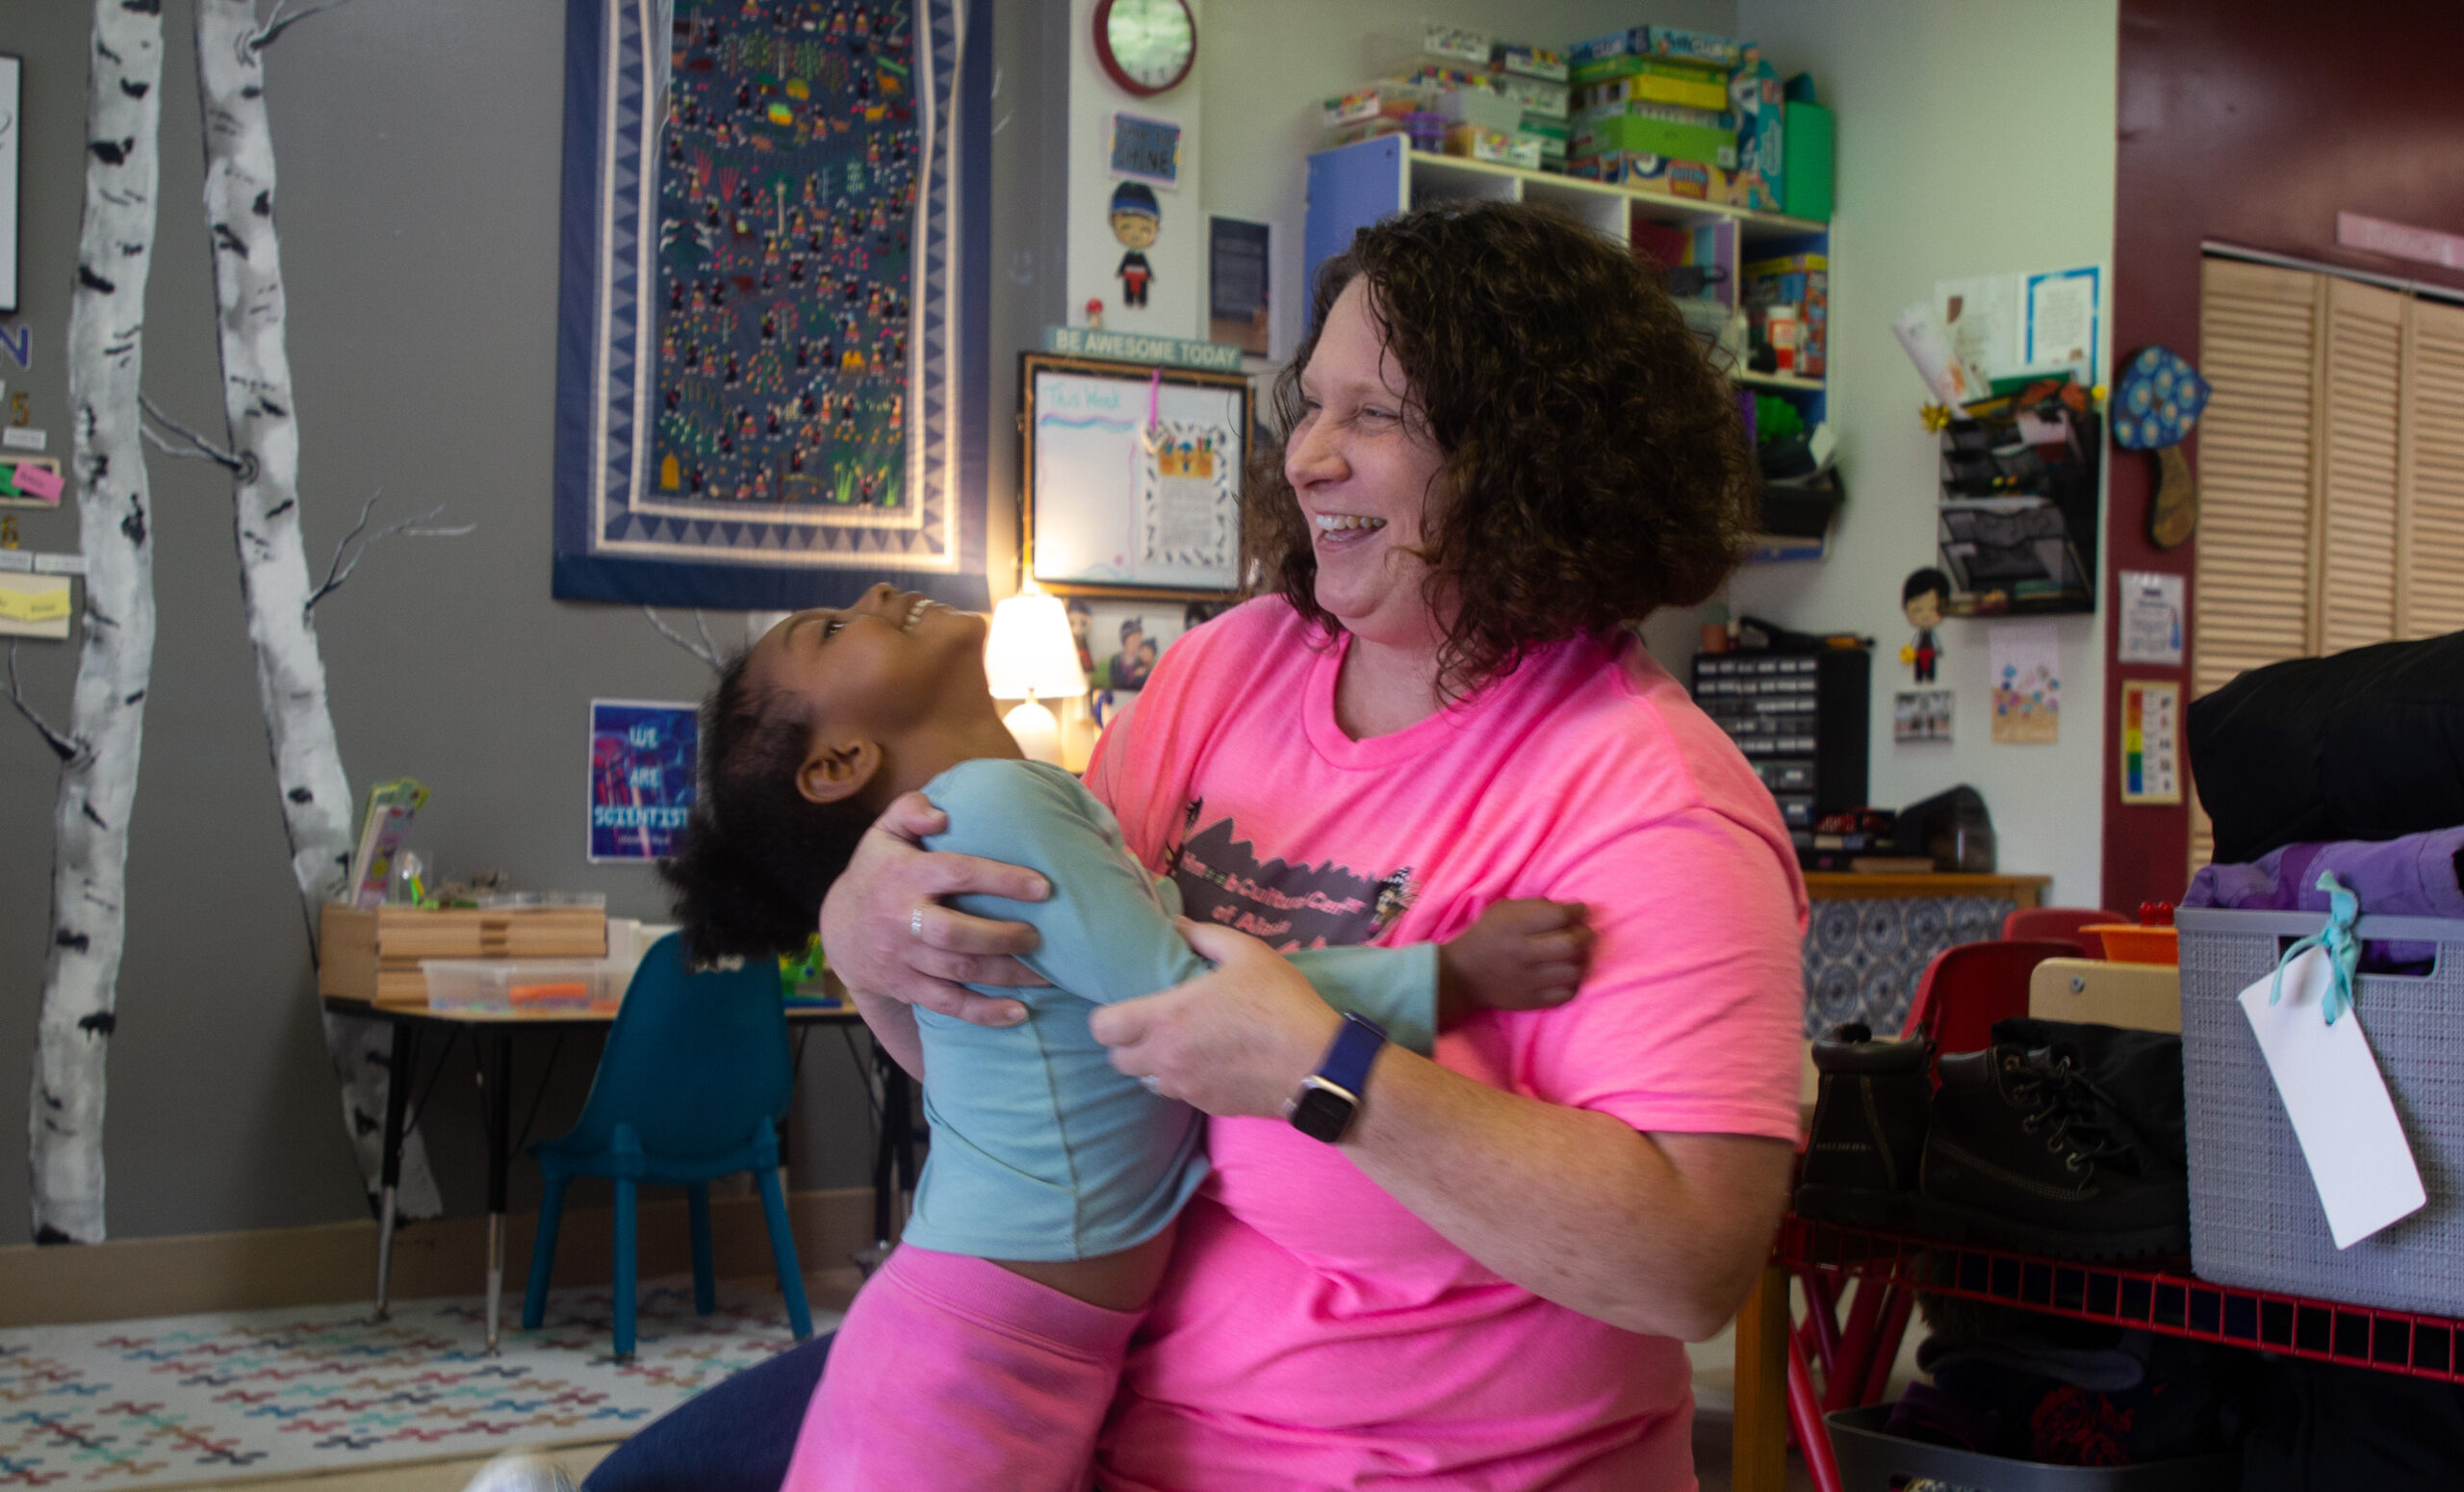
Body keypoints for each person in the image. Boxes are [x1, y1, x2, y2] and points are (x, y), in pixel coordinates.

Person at [587, 198, 1805, 1492]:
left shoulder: (1654, 796)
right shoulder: (1230, 667)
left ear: (1526, 454)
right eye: (1312, 406)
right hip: (1067, 1392)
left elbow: (1687, 1265)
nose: (1307, 457)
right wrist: (867, 937)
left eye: (1373, 418)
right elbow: (1048, 1030)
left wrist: (1320, 1071)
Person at [654, 583, 1586, 1490]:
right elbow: (1187, 1004)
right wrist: (1448, 976)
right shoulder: (988, 808)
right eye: (829, 628)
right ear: (838, 760)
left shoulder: (1010, 809)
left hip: (1019, 1329)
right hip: (977, 1342)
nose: (881, 589)